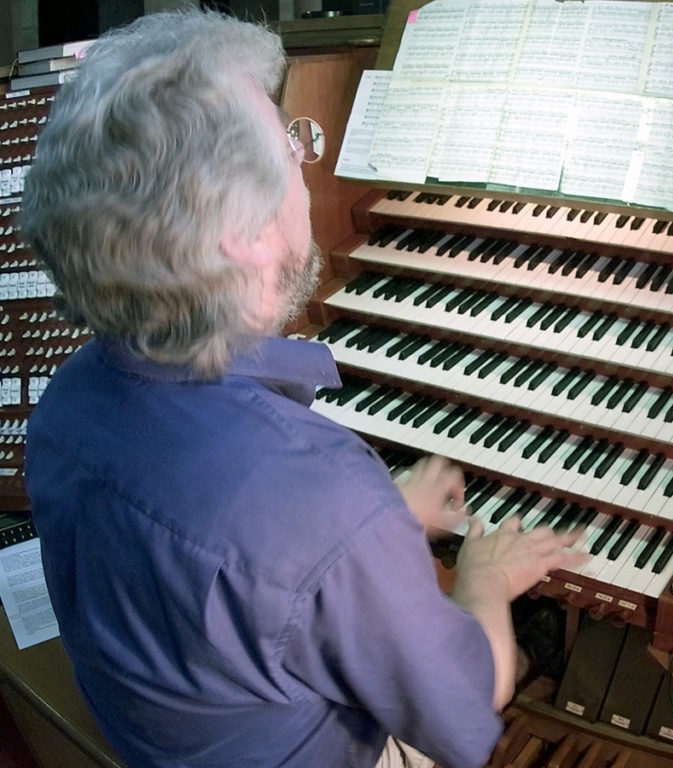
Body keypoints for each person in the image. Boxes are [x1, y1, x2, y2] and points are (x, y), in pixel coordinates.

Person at [20, 9, 584, 768]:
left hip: (157, 731)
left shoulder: (69, 398)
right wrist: (483, 580)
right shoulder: (322, 496)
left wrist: (376, 526)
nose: (306, 161)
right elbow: (464, 708)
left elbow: (246, 566)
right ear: (243, 238)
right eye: (290, 142)